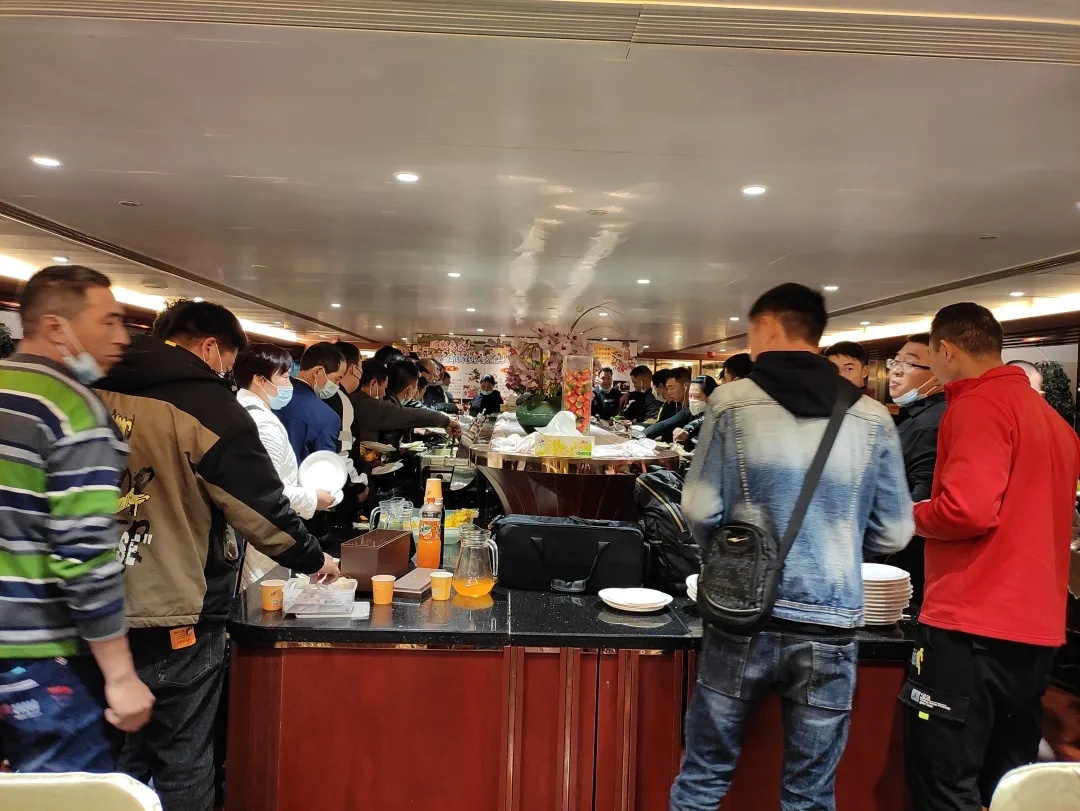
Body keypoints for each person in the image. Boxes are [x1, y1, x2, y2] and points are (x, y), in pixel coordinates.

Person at [670, 282, 913, 811]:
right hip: (830, 619)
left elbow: (700, 509)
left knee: (705, 774)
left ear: (768, 327)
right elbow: (894, 533)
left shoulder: (732, 403)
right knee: (810, 791)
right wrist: (840, 541)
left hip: (742, 616)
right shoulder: (872, 417)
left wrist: (735, 557)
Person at [94, 299, 339, 811]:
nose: (228, 372)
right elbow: (260, 508)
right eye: (228, 360)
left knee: (113, 760)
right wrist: (315, 559)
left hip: (91, 603)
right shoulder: (207, 406)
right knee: (182, 756)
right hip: (176, 605)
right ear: (209, 347)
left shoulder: (91, 383)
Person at [904, 303, 1080, 811]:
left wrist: (907, 514)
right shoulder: (1055, 422)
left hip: (971, 622)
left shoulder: (977, 405)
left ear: (945, 349)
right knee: (1007, 782)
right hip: (1036, 629)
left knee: (943, 778)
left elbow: (966, 511)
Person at [0, 265, 154, 772]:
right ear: (54, 327)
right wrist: (121, 675)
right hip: (41, 657)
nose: (123, 337)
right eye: (108, 321)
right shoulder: (73, 411)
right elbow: (83, 553)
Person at [235, 343, 336, 585]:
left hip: (257, 535)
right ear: (260, 380)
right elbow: (267, 493)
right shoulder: (261, 423)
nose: (289, 384)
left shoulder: (244, 411)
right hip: (261, 539)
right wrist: (313, 498)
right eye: (284, 376)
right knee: (261, 597)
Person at [882, 333, 945, 602]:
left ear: (939, 374)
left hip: (906, 568)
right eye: (895, 362)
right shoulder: (916, 417)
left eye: (909, 363)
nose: (896, 371)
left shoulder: (930, 424)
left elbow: (921, 497)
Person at [351, 359, 458, 445]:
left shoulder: (360, 400)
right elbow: (405, 414)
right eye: (384, 386)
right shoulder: (365, 403)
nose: (384, 392)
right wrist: (445, 421)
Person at [274, 342, 346, 464]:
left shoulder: (270, 392)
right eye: (337, 379)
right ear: (318, 372)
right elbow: (324, 467)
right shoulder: (327, 417)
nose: (337, 385)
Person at [645, 368, 696, 442]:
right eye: (668, 388)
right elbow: (663, 425)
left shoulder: (693, 408)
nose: (669, 392)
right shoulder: (681, 407)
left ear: (686, 386)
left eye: (672, 388)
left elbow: (664, 425)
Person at [672, 375, 718, 449]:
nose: (692, 400)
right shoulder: (689, 411)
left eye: (697, 396)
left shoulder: (719, 415)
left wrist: (687, 430)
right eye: (690, 396)